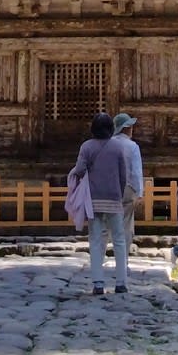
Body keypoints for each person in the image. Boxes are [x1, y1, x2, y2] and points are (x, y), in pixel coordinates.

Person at [68, 112, 136, 295]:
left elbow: (80, 169)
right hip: (114, 198)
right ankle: (121, 282)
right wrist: (119, 193)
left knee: (96, 239)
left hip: (94, 199)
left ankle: (98, 283)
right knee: (119, 240)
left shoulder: (87, 147)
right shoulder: (117, 147)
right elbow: (123, 175)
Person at [110, 111, 144, 271]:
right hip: (128, 188)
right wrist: (140, 193)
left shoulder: (108, 144)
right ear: (127, 128)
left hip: (110, 189)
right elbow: (136, 171)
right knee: (126, 225)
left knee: (111, 225)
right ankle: (122, 261)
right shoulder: (132, 146)